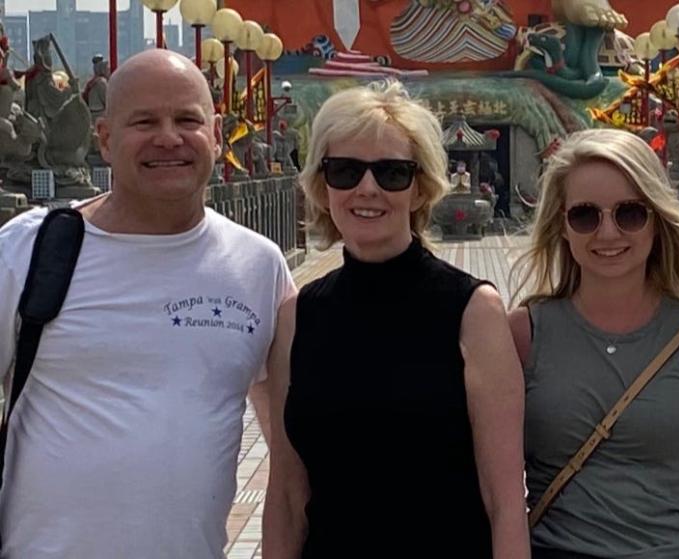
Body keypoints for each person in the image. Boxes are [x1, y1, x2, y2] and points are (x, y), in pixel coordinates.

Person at [0, 50, 296, 557]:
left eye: (187, 119)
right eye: (144, 122)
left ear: (217, 132)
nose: (168, 138)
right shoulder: (29, 249)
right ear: (106, 139)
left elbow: (294, 455)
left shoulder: (258, 267)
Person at [262, 80, 529, 558]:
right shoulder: (297, 316)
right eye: (345, 171)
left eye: (391, 173)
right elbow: (286, 493)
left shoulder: (472, 311)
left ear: (421, 187)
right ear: (322, 187)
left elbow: (504, 500)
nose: (368, 188)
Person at [509, 128, 679, 558]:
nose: (608, 233)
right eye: (585, 216)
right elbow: (499, 499)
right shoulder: (524, 334)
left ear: (658, 219)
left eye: (629, 213)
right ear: (562, 226)